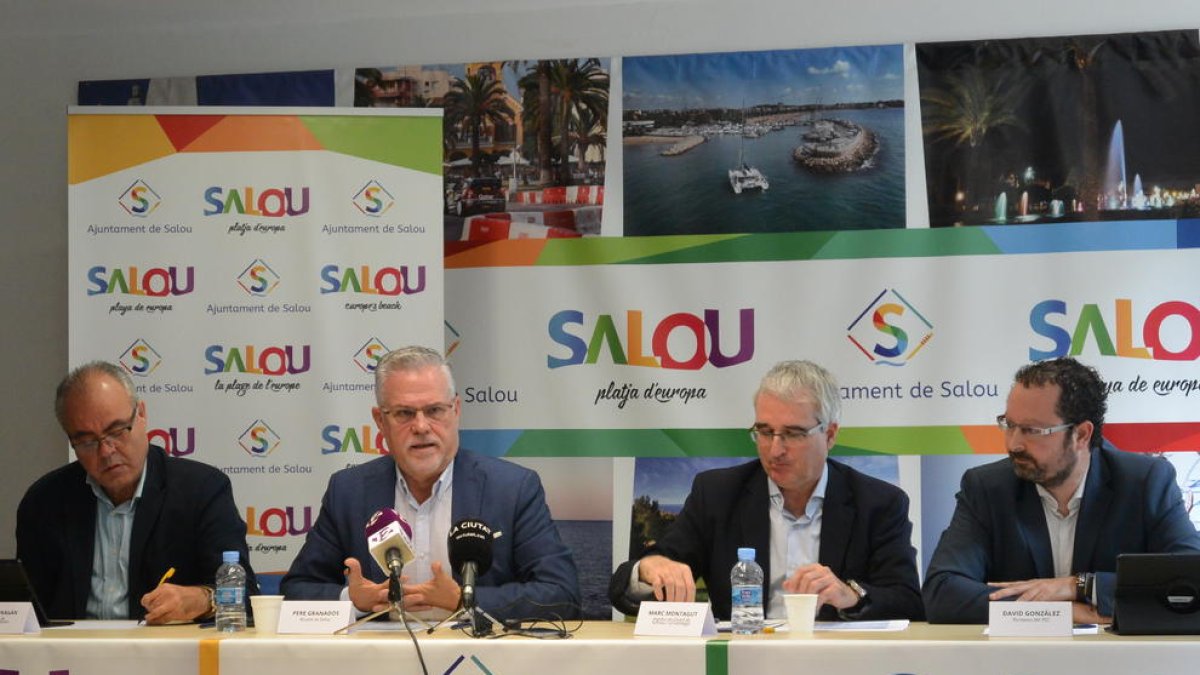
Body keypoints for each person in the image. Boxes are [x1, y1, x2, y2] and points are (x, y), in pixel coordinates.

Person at [281, 346, 580, 621]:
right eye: (404, 413)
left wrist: (465, 600)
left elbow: (562, 595)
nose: (421, 426)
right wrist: (353, 600)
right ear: (380, 421)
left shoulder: (512, 489)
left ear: (456, 411)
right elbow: (296, 591)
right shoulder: (348, 491)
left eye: (435, 410)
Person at [609, 360, 924, 622]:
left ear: (829, 435)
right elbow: (625, 587)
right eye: (764, 431)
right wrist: (649, 568)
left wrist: (850, 595)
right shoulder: (717, 494)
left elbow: (908, 601)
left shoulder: (879, 502)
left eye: (793, 434)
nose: (775, 450)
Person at [923, 357, 1200, 624]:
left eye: (1032, 430)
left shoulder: (1144, 482)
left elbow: (1190, 580)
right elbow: (942, 593)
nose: (1014, 443)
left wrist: (1080, 586)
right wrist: (1058, 613)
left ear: (1081, 435)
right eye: (1009, 425)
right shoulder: (987, 488)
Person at [16, 361, 258, 623]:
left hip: (163, 656)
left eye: (117, 431)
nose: (106, 451)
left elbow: (244, 593)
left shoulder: (201, 490)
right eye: (87, 441)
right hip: (70, 657)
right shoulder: (44, 502)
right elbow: (25, 608)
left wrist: (201, 599)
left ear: (141, 415)